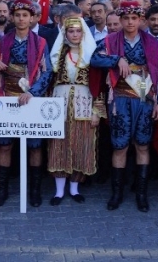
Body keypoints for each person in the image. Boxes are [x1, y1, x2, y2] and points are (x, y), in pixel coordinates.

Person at [91, 1, 158, 212]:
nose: (130, 22)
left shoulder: (152, 43)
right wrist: (116, 59)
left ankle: (141, 194)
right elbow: (94, 59)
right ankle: (117, 193)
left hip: (144, 98)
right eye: (126, 18)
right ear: (120, 20)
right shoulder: (110, 40)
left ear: (141, 20)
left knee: (142, 144)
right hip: (121, 98)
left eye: (134, 18)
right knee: (120, 145)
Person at [0, 0, 51, 208]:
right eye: (17, 15)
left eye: (26, 15)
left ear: (33, 18)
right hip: (7, 96)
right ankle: (2, 191)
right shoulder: (0, 42)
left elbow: (47, 72)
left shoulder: (41, 43)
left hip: (32, 99)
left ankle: (34, 191)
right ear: (12, 17)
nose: (21, 19)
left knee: (34, 146)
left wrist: (33, 93)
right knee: (5, 145)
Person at [46, 17, 102, 205]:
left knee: (81, 143)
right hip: (59, 103)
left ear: (83, 33)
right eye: (71, 31)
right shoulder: (58, 54)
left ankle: (74, 188)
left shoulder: (91, 54)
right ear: (65, 33)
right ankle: (59, 191)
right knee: (58, 144)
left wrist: (97, 111)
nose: (75, 34)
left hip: (84, 103)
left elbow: (98, 85)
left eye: (78, 31)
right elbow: (48, 80)